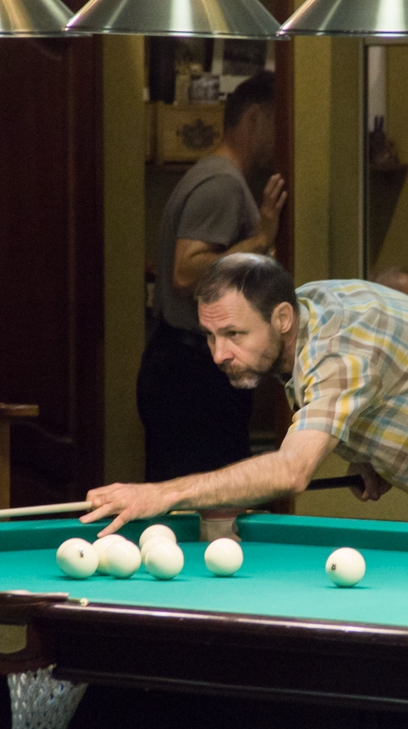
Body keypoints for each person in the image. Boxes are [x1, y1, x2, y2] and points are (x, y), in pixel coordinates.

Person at [86, 254, 408, 536]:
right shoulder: (305, 312)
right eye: (211, 336)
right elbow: (384, 380)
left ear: (282, 318)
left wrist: (163, 493)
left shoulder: (339, 349)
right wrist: (369, 452)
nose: (218, 354)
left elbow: (291, 471)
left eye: (233, 335)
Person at [138, 71, 286, 539]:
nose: (282, 138)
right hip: (192, 375)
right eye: (278, 122)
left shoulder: (218, 177)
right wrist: (260, 239)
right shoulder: (222, 183)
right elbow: (186, 272)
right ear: (256, 118)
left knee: (196, 515)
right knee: (205, 517)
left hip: (186, 368)